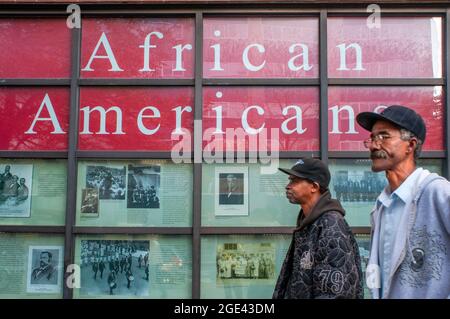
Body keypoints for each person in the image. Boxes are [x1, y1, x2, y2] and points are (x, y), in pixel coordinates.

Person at [356, 105, 450, 299]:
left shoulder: (436, 192)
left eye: (384, 136)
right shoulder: (381, 207)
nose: (374, 145)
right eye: (372, 138)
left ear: (411, 144)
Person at [273, 158, 363, 299]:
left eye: (295, 181)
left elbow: (336, 293)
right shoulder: (308, 223)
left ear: (314, 187)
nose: (288, 186)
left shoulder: (331, 225)